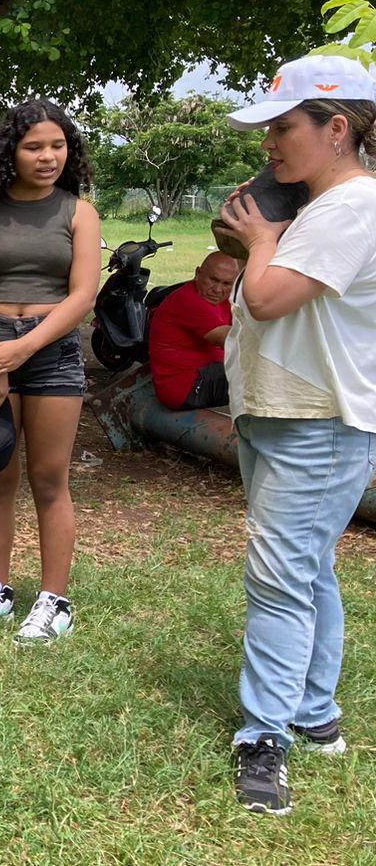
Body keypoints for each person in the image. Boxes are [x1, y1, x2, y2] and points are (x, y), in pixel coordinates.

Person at [213, 54, 376, 817]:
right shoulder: (321, 208)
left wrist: (255, 240)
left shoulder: (353, 207)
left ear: (336, 128)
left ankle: (265, 739)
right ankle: (315, 715)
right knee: (307, 573)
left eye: (284, 127)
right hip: (286, 415)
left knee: (279, 581)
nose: (271, 144)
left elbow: (272, 296)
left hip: (316, 424)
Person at [0, 99, 102, 646]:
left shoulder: (79, 212)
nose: (47, 157)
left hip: (53, 349)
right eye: (35, 146)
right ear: (11, 151)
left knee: (49, 478)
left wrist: (25, 348)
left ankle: (53, 600)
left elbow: (83, 293)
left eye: (57, 146)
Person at [148, 251, 240, 410]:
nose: (218, 289)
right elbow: (230, 339)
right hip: (189, 388)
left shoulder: (222, 300)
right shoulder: (189, 300)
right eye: (213, 280)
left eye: (226, 284)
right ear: (198, 274)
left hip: (206, 375)